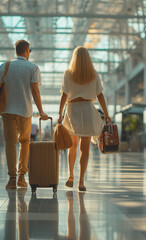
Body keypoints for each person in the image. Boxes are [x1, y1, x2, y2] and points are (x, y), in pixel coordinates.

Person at [0, 39, 48, 190]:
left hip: (8, 110)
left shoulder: (4, 66)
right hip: (25, 111)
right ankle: (21, 177)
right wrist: (41, 111)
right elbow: (35, 91)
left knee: (10, 143)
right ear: (26, 50)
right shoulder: (32, 68)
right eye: (29, 51)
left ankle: (11, 179)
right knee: (25, 142)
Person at [58, 46, 111, 191]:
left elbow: (64, 95)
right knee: (85, 149)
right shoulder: (93, 74)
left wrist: (59, 113)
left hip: (72, 110)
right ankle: (81, 181)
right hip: (88, 110)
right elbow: (100, 95)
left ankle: (70, 176)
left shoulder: (68, 73)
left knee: (72, 145)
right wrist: (106, 113)